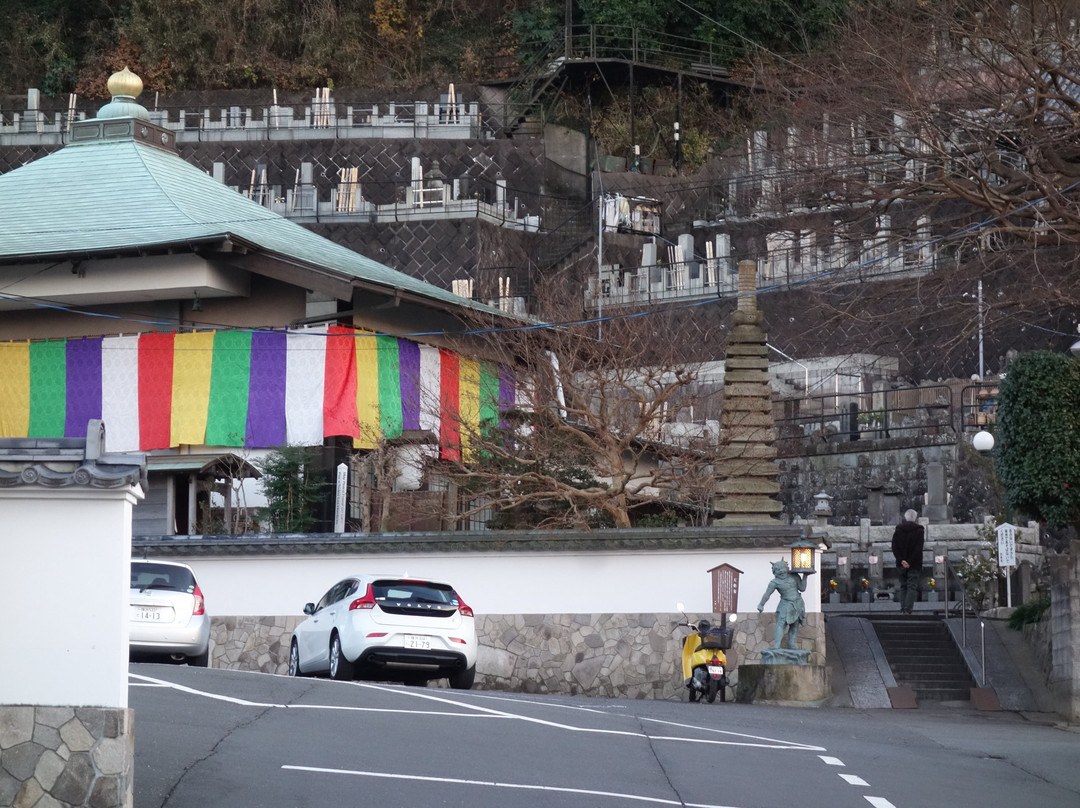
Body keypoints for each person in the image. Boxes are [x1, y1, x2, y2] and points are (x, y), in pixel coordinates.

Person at [756, 559, 809, 649]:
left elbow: (802, 588)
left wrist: (805, 576)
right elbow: (767, 594)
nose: (781, 571)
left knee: (795, 624)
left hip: (797, 602)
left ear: (787, 568)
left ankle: (791, 643)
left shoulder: (794, 577)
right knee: (781, 623)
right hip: (785, 603)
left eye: (783, 568)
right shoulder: (774, 582)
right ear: (774, 572)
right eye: (778, 570)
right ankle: (777, 644)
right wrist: (761, 604)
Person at [891, 508, 925, 614]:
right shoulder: (919, 530)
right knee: (911, 586)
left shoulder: (898, 530)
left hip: (901, 563)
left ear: (905, 518)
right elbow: (918, 548)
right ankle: (908, 608)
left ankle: (902, 607)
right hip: (914, 563)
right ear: (915, 518)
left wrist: (901, 560)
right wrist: (909, 561)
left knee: (903, 585)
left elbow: (894, 546)